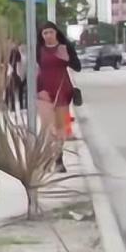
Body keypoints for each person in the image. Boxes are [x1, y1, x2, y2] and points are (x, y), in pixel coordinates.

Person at [36, 21, 81, 172]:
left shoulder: (65, 47)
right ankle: (48, 158)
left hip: (63, 90)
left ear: (56, 33)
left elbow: (77, 67)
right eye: (45, 33)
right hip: (43, 91)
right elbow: (34, 69)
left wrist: (67, 57)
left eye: (51, 32)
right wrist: (38, 89)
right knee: (48, 127)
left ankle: (59, 160)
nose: (48, 35)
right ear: (41, 35)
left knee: (60, 128)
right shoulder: (38, 49)